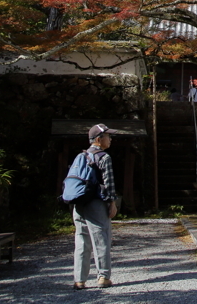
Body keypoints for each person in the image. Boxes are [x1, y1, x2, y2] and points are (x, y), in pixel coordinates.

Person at [73, 123, 117, 290]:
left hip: (78, 204)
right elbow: (109, 184)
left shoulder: (81, 156)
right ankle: (103, 277)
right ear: (99, 140)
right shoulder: (104, 157)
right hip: (96, 204)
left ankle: (79, 280)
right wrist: (112, 203)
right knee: (101, 240)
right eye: (108, 136)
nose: (110, 139)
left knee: (81, 241)